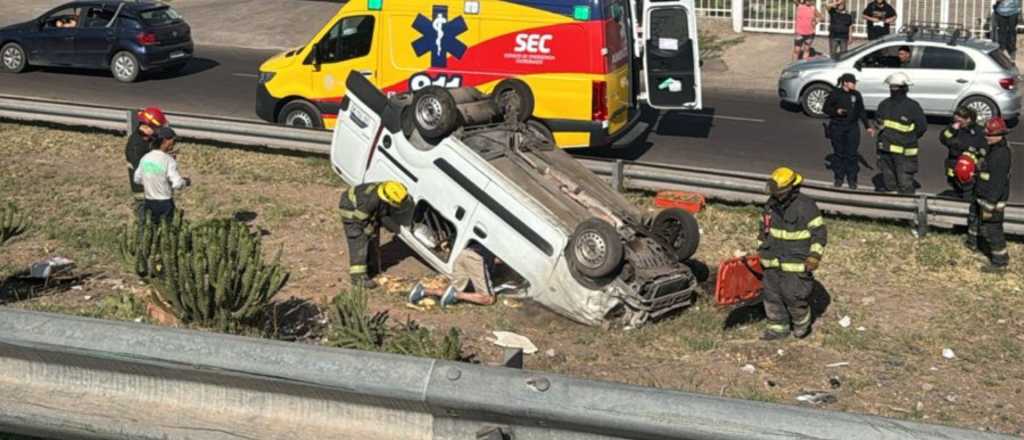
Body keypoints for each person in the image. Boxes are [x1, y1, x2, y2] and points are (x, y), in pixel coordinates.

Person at [757, 167, 827, 341]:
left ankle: (801, 323)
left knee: (793, 295)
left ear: (791, 190)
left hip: (796, 260)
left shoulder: (806, 206)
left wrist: (814, 256)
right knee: (771, 294)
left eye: (779, 192)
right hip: (772, 259)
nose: (775, 196)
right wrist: (760, 251)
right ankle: (777, 328)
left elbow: (819, 233)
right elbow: (763, 230)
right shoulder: (771, 204)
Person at [338, 181, 414, 289]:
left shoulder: (386, 191)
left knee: (372, 237)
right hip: (352, 210)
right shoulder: (370, 201)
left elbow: (382, 214)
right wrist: (369, 230)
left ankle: (370, 265)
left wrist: (395, 228)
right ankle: (358, 278)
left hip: (363, 210)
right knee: (359, 240)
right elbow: (359, 219)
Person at [873, 72, 927, 194]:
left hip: (900, 152)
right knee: (896, 184)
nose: (893, 90)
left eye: (894, 87)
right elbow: (879, 123)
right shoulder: (888, 105)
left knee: (901, 184)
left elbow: (921, 127)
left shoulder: (908, 106)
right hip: (889, 150)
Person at [974, 117, 1013, 272]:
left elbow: (997, 183)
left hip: (993, 201)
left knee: (993, 230)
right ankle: (993, 254)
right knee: (987, 228)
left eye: (989, 135)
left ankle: (1000, 262)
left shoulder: (1001, 155)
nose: (986, 137)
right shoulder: (994, 149)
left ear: (1000, 135)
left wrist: (990, 204)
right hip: (987, 198)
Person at [822, 73, 874, 189]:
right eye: (853, 82)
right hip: (837, 127)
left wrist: (867, 127)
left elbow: (861, 111)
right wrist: (837, 111)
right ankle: (839, 178)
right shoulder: (835, 94)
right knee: (839, 154)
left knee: (852, 154)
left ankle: (852, 179)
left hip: (852, 128)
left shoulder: (856, 95)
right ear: (845, 82)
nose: (855, 84)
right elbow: (825, 108)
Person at [408, 243, 497, 307]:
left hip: (463, 254)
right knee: (488, 299)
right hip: (476, 258)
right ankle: (455, 295)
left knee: (457, 288)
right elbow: (498, 260)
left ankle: (423, 291)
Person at [133, 127, 190, 224]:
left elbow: (137, 179)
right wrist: (185, 182)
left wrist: (151, 180)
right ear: (165, 141)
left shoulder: (145, 158)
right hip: (165, 203)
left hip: (149, 202)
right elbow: (177, 184)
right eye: (173, 140)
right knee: (166, 231)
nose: (174, 143)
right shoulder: (168, 160)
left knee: (151, 230)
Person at [126, 107, 169, 215]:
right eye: (157, 128)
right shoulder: (135, 147)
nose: (159, 131)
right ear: (146, 127)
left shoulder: (149, 138)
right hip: (144, 191)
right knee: (145, 220)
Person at [939, 107, 986, 199]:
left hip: (970, 170)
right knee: (956, 187)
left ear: (968, 119)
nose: (957, 122)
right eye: (955, 119)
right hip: (954, 165)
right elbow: (944, 139)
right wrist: (952, 130)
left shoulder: (979, 132)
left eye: (960, 120)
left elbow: (984, 150)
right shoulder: (954, 128)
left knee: (968, 192)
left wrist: (972, 150)